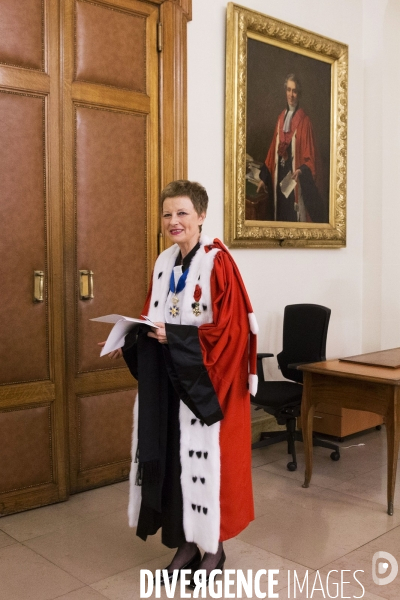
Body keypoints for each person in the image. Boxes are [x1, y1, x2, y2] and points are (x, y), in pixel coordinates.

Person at [100, 180, 258, 586]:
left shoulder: (217, 263)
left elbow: (231, 330)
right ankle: (186, 543)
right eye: (168, 214)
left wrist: (179, 337)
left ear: (201, 216)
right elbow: (154, 312)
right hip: (169, 381)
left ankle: (214, 546)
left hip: (206, 384)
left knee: (207, 465)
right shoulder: (164, 261)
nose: (173, 221)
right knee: (175, 461)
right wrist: (129, 336)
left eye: (182, 213)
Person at [257, 73, 327, 223]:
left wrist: (302, 170)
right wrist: (264, 177)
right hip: (280, 179)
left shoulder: (305, 121)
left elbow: (310, 157)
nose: (291, 95)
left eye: (294, 91)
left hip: (295, 182)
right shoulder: (280, 118)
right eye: (288, 90)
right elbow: (272, 152)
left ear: (299, 93)